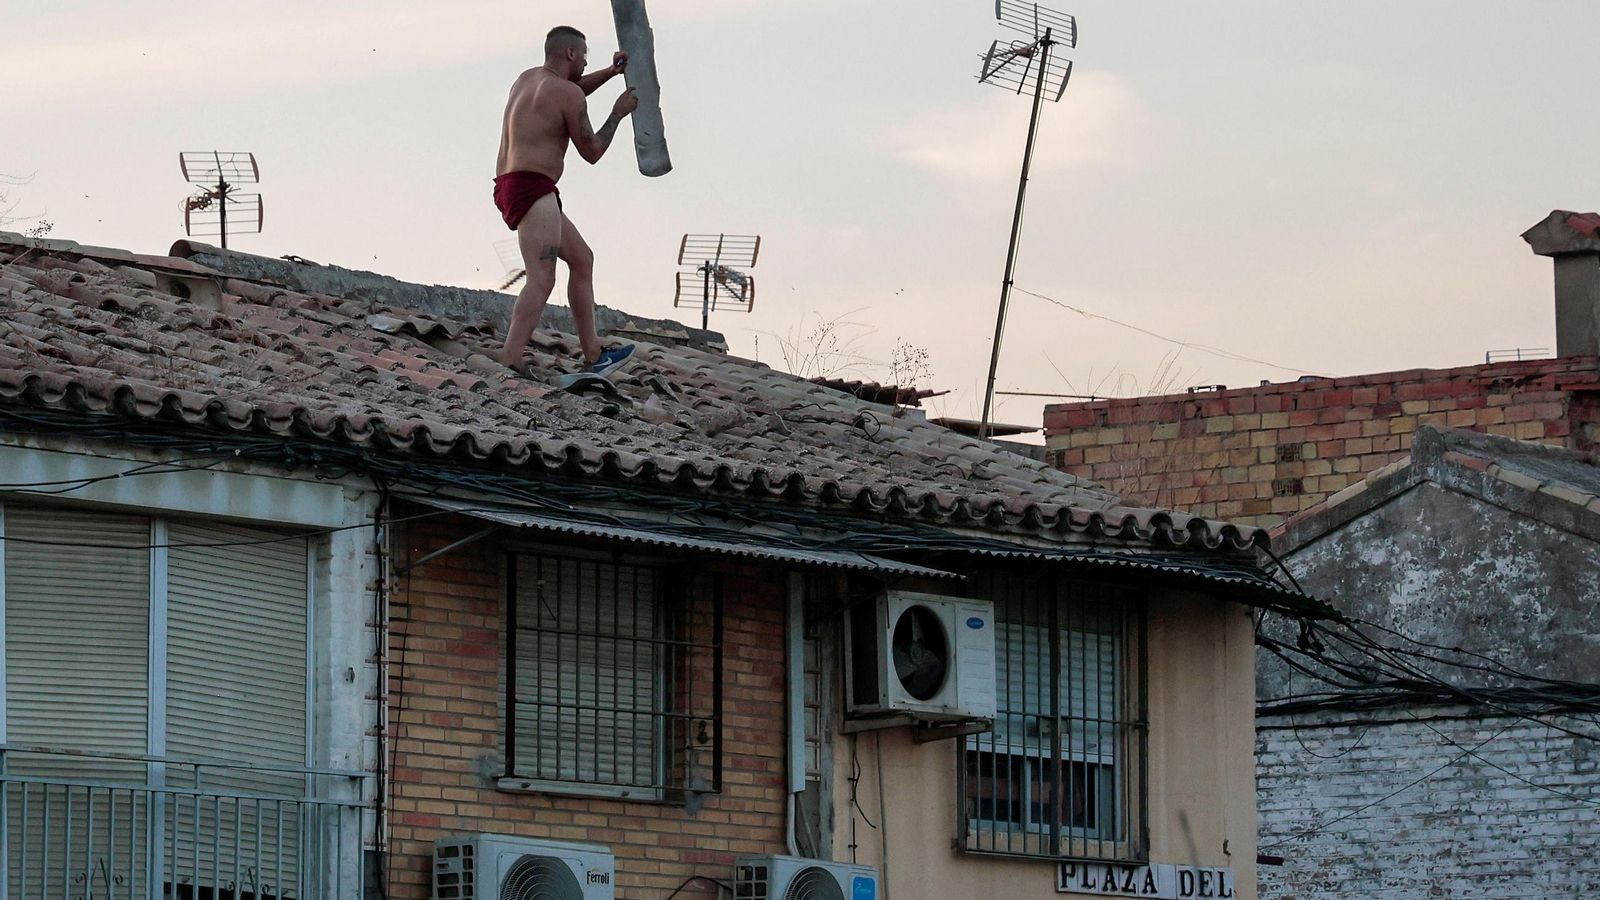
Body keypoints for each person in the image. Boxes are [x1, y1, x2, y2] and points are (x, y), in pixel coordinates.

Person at [494, 25, 639, 377]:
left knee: (582, 259)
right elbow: (592, 151)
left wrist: (609, 73)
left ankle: (593, 354)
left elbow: (572, 92)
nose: (587, 65)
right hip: (533, 189)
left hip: (513, 184)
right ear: (571, 54)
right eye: (586, 58)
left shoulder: (527, 80)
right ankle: (508, 361)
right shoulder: (567, 95)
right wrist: (619, 113)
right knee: (542, 278)